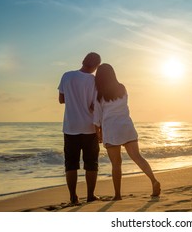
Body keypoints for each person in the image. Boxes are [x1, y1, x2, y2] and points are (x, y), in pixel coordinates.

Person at [93, 63, 161, 200]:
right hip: (126, 127)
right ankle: (153, 180)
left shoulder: (99, 94)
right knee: (138, 157)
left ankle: (117, 195)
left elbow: (97, 116)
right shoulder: (122, 89)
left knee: (116, 164)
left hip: (111, 130)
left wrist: (98, 133)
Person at [58, 52, 101, 204]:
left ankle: (73, 197)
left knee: (71, 164)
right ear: (96, 67)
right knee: (91, 163)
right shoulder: (95, 81)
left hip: (70, 127)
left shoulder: (67, 76)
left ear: (83, 61)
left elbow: (61, 100)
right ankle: (90, 196)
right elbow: (94, 106)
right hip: (89, 128)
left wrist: (74, 99)